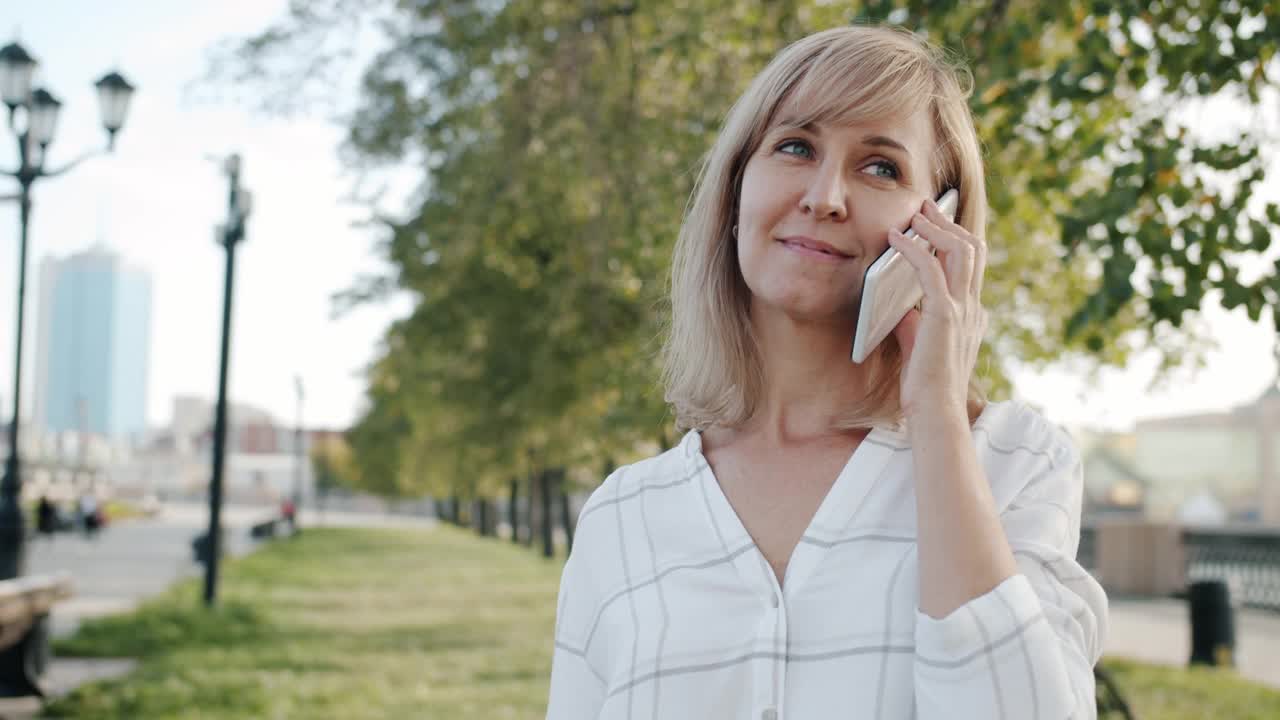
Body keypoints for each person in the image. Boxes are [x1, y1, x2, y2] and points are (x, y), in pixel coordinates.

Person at [546, 25, 1108, 719]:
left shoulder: (1015, 465)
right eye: (795, 146)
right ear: (736, 186)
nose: (825, 196)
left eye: (881, 168)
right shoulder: (622, 517)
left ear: (942, 223)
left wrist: (935, 412)